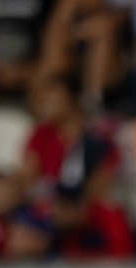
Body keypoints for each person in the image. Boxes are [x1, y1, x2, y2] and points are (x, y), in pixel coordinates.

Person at [22, 74, 120, 203]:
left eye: (53, 95)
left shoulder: (99, 135)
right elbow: (27, 178)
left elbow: (102, 181)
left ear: (73, 98)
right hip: (47, 207)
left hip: (83, 208)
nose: (46, 102)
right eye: (45, 97)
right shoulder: (41, 134)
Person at [0, 0, 63, 109]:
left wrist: (29, 66)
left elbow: (50, 34)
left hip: (31, 65)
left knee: (42, 81)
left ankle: (41, 125)